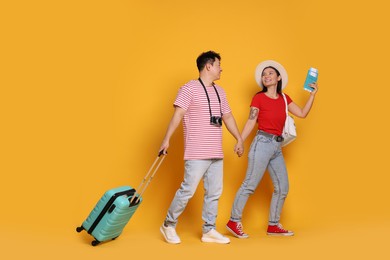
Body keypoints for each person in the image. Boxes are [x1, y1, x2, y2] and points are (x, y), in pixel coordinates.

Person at [226, 60, 318, 238]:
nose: (266, 76)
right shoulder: (258, 97)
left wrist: (312, 95)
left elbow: (302, 114)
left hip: (277, 146)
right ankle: (233, 220)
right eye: (264, 74)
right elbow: (252, 120)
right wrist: (240, 140)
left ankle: (273, 225)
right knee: (249, 185)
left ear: (278, 78)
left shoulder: (285, 98)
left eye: (270, 73)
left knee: (283, 187)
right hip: (262, 143)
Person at [159, 51, 244, 244]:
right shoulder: (188, 89)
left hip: (216, 152)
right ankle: (168, 224)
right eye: (218, 64)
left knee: (214, 192)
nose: (221, 68)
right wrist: (166, 140)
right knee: (187, 190)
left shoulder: (220, 91)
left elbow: (228, 117)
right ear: (208, 66)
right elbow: (178, 115)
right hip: (196, 151)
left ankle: (209, 230)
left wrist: (239, 138)